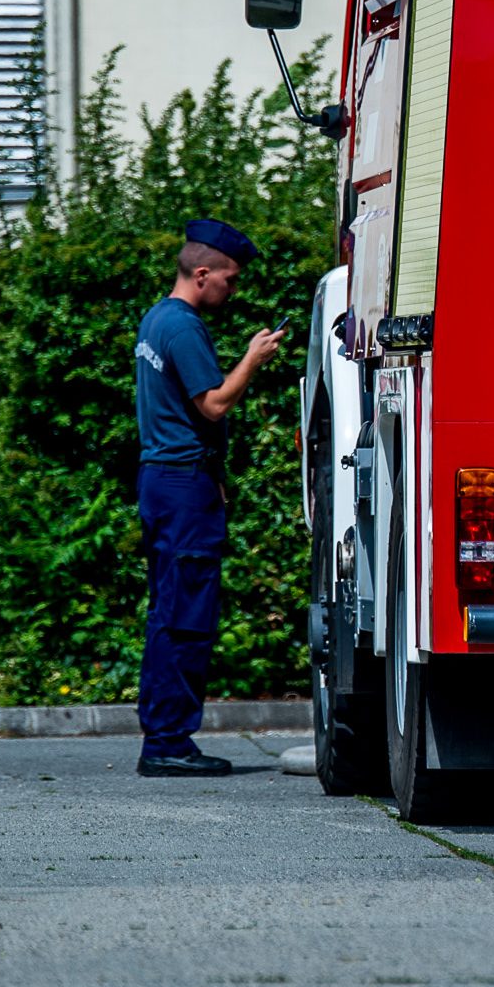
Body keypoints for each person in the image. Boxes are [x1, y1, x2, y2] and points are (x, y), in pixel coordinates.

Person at [131, 220, 285, 777]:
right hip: (182, 487)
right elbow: (214, 404)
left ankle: (163, 736)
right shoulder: (185, 327)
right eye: (230, 279)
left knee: (168, 611)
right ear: (202, 274)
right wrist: (254, 357)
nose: (233, 290)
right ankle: (168, 742)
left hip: (164, 480)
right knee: (186, 615)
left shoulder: (156, 318)